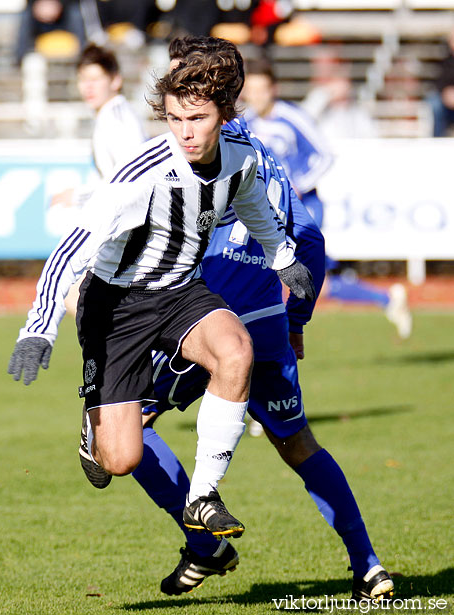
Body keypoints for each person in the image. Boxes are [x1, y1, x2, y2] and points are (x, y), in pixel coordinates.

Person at [8, 43, 316, 539]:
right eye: (174, 118)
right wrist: (38, 329)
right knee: (124, 458)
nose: (185, 131)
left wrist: (283, 259)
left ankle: (203, 496)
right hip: (116, 304)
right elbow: (71, 248)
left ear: (224, 113)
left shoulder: (239, 157)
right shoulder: (145, 172)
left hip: (180, 292)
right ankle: (97, 427)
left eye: (196, 117)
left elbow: (254, 202)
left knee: (236, 350)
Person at [127, 35, 395, 603]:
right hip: (266, 321)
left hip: (202, 318)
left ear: (214, 92)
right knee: (298, 445)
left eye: (186, 83)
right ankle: (368, 565)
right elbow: (311, 239)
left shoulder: (203, 156)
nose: (176, 108)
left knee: (124, 427)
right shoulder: (264, 155)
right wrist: (296, 317)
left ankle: (204, 544)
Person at [241, 57, 412, 340]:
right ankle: (388, 300)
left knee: (303, 277)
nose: (257, 96)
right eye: (252, 90)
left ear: (274, 89)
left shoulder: (291, 117)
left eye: (263, 89)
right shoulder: (246, 121)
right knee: (305, 278)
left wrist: (296, 184)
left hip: (301, 208)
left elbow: (324, 155)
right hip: (265, 212)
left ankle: (275, 335)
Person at [50, 43, 148, 312]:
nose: (87, 87)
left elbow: (132, 180)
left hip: (128, 232)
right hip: (124, 229)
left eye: (95, 79)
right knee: (84, 300)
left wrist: (78, 195)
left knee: (76, 297)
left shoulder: (114, 119)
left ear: (115, 80)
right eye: (83, 79)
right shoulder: (114, 114)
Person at [14, 0, 86, 65]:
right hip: (38, 12)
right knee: (26, 16)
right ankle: (20, 61)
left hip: (65, 12)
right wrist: (36, 4)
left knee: (75, 13)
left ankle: (83, 60)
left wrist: (59, 4)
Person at [426, 27, 454, 138]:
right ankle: (437, 139)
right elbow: (439, 83)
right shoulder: (445, 61)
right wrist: (446, 94)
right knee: (434, 102)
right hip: (447, 103)